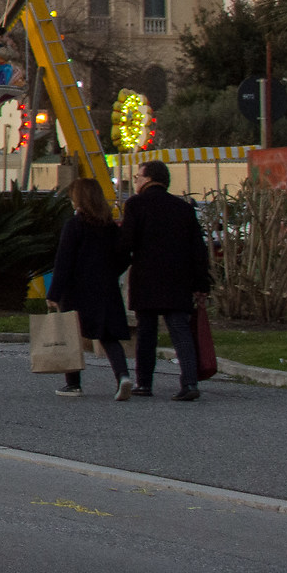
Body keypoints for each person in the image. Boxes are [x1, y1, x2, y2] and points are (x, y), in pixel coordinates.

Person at [121, 159, 210, 400]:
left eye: (138, 177)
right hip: (178, 278)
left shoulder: (135, 205)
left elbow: (126, 243)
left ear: (148, 179)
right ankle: (190, 383)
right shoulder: (183, 208)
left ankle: (144, 383)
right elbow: (198, 248)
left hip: (146, 277)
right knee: (180, 331)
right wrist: (201, 283)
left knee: (146, 331)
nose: (136, 181)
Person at [50, 176, 133, 400]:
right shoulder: (109, 227)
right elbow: (124, 256)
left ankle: (73, 384)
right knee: (108, 335)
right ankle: (123, 376)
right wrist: (110, 273)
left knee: (72, 334)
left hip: (77, 288)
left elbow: (64, 261)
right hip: (106, 288)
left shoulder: (74, 225)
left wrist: (54, 293)